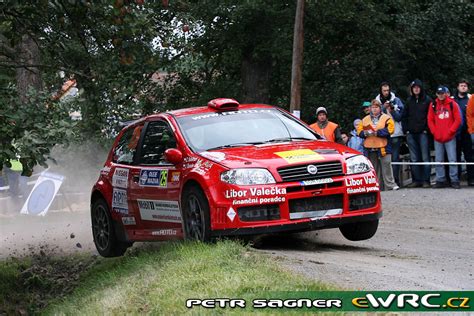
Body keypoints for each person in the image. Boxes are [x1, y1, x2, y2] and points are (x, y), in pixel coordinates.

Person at [357, 99, 399, 191]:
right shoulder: (364, 120)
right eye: (373, 107)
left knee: (386, 165)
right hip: (370, 146)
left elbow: (390, 130)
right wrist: (365, 133)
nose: (374, 109)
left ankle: (390, 185)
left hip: (384, 146)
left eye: (376, 107)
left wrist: (378, 132)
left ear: (380, 108)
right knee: (374, 168)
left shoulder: (387, 118)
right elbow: (359, 131)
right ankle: (377, 186)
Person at [428, 86, 462, 189]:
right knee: (439, 160)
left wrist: (451, 131)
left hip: (450, 137)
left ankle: (454, 180)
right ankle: (440, 180)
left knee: (452, 159)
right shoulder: (433, 105)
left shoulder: (453, 104)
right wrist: (434, 132)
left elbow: (458, 119)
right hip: (438, 137)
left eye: (442, 93)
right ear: (436, 94)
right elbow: (430, 120)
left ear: (446, 93)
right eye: (439, 93)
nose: (441, 95)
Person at [401, 79, 432, 188]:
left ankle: (426, 180)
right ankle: (416, 180)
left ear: (421, 88)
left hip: (423, 133)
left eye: (418, 87)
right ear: (412, 89)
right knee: (414, 158)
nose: (416, 89)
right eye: (414, 88)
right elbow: (404, 116)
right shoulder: (409, 101)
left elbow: (431, 116)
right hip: (411, 134)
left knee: (425, 157)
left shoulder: (428, 100)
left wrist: (427, 129)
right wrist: (406, 130)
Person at [375, 82, 404, 186]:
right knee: (383, 159)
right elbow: (374, 116)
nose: (386, 92)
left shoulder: (397, 100)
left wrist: (391, 110)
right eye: (384, 91)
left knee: (394, 158)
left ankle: (395, 181)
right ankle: (383, 182)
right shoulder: (376, 102)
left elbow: (400, 117)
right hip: (382, 134)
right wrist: (383, 108)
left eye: (388, 90)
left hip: (395, 133)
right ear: (381, 91)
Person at [453, 79, 474, 186]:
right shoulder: (452, 100)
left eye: (465, 86)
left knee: (469, 156)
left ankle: (471, 179)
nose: (463, 87)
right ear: (457, 87)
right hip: (455, 133)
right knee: (455, 156)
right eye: (461, 85)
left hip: (468, 132)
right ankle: (456, 179)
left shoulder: (471, 99)